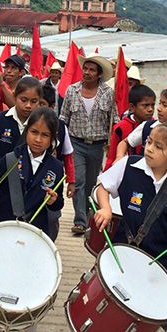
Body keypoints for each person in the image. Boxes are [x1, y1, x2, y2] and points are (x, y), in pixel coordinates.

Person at [96, 123, 167, 279]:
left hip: (161, 261)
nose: (149, 149)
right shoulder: (128, 165)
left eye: (158, 147)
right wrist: (105, 208)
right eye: (149, 142)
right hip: (124, 249)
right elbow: (103, 186)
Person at [0, 107, 64, 238]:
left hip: (35, 232)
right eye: (34, 132)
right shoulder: (9, 159)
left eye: (45, 135)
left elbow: (59, 203)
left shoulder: (56, 167)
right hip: (4, 227)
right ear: (27, 131)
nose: (38, 139)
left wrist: (53, 201)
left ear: (52, 138)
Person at [59, 53, 117, 235]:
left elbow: (113, 120)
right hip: (75, 143)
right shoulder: (71, 90)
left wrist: (114, 146)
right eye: (86, 68)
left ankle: (87, 211)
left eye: (92, 70)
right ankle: (80, 221)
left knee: (91, 183)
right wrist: (60, 144)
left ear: (99, 74)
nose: (87, 72)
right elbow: (63, 118)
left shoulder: (108, 93)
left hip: (98, 146)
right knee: (78, 181)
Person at [40, 84, 75, 240]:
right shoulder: (29, 125)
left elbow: (68, 154)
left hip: (53, 177)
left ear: (51, 106)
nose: (37, 108)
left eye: (42, 104)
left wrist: (71, 181)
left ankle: (50, 243)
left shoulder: (60, 126)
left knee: (52, 215)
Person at [104, 84, 156, 171]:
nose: (150, 109)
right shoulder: (120, 128)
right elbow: (112, 156)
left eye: (152, 105)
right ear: (132, 107)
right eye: (145, 105)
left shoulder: (155, 126)